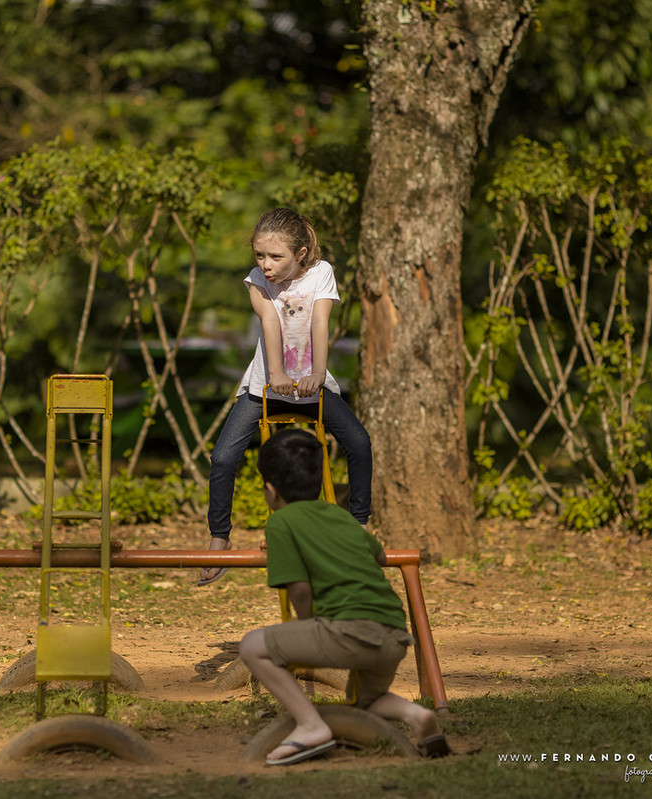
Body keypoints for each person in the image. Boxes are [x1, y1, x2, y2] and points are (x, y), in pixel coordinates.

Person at [238, 429, 447, 766]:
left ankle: (309, 726)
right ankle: (416, 716)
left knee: (251, 646)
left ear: (270, 490)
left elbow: (300, 590)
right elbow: (378, 556)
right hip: (393, 633)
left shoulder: (281, 523)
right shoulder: (342, 517)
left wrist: (306, 629)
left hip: (350, 631)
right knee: (368, 703)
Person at [197, 208, 372, 586]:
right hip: (266, 387)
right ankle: (219, 538)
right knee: (224, 456)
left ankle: (360, 526)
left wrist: (318, 375)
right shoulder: (258, 280)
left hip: (312, 386)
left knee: (359, 443)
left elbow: (320, 321)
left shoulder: (321, 272)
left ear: (302, 252)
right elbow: (270, 320)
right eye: (260, 255)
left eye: (276, 256)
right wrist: (275, 374)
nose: (266, 264)